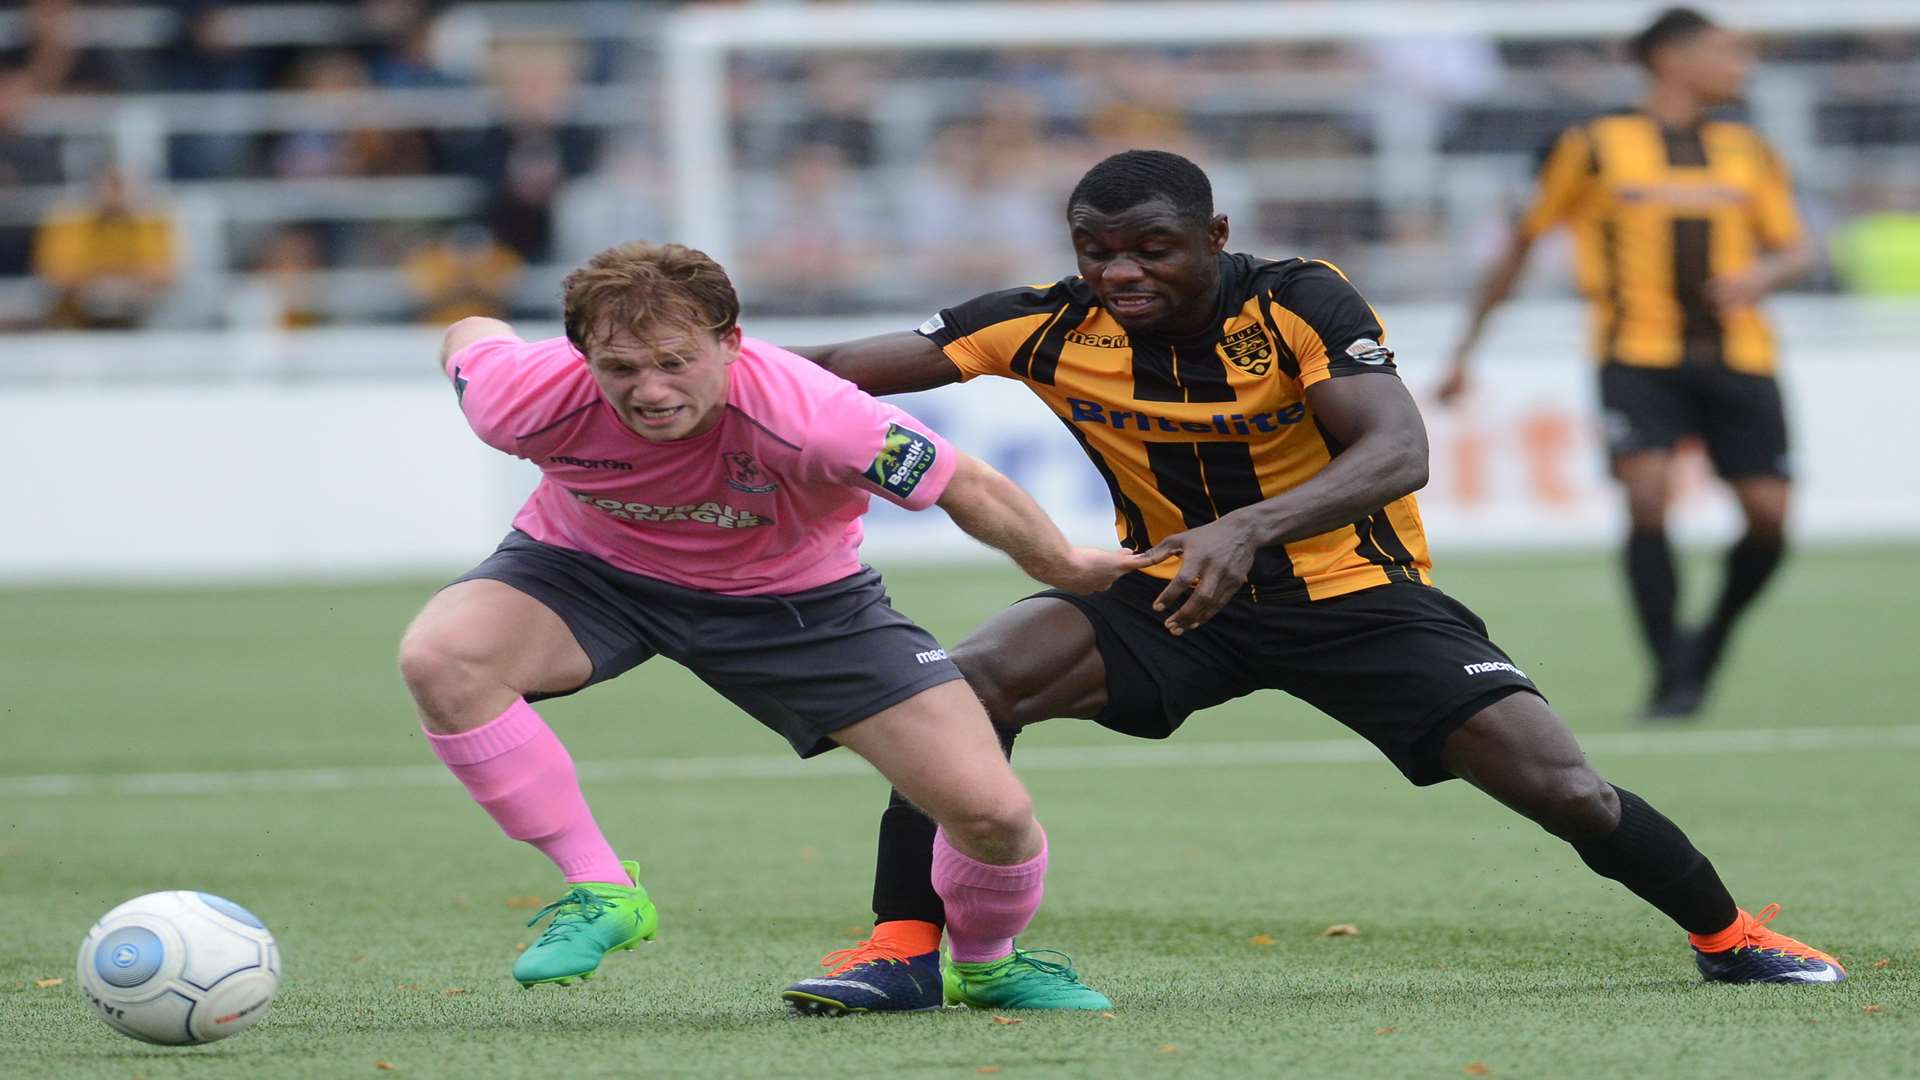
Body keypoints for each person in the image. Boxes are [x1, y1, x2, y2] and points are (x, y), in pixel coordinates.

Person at [781, 149, 1845, 1015]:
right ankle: (903, 947)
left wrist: (1246, 528)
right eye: (1097, 252)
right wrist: (673, 363)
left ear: (1216, 239)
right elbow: (826, 370)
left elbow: (1396, 451)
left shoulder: (1299, 301)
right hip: (1170, 595)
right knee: (959, 694)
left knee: (1565, 790)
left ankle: (1728, 934)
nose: (1121, 274)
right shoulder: (1047, 322)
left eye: (1152, 249)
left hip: (1356, 597)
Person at [398, 241, 1151, 1003]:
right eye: (621, 369)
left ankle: (989, 962)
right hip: (587, 572)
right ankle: (601, 889)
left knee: (992, 815)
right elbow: (469, 335)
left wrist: (1059, 564)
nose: (650, 391)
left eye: (674, 362)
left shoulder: (817, 418)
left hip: (800, 605)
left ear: (731, 343)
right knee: (443, 656)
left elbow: (968, 483)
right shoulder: (522, 397)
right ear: (581, 352)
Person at [1438, 8, 1814, 720]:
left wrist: (1763, 277)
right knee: (1647, 495)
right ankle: (1672, 671)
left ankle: (1708, 643)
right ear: (1672, 59)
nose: (1742, 66)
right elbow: (1522, 244)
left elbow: (1794, 247)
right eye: (1725, 51)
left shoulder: (1749, 149)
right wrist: (1466, 353)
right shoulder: (1594, 145)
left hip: (1741, 354)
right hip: (1634, 351)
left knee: (1769, 517)